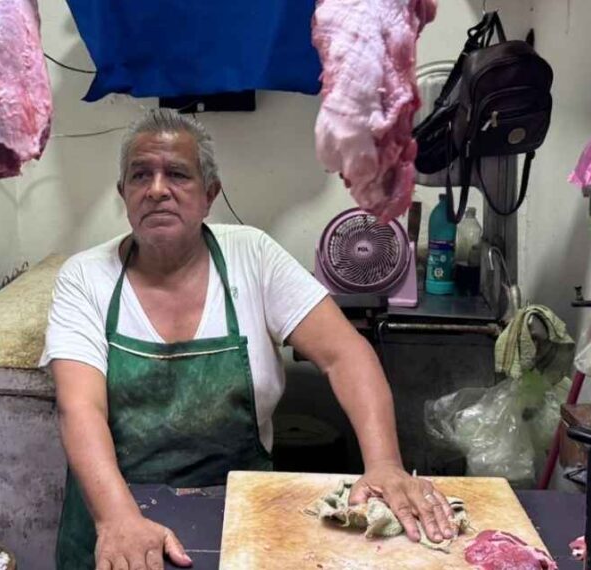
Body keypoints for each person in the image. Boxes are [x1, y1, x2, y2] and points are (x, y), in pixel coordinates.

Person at [41, 109, 453, 570]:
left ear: (209, 195)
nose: (157, 189)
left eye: (177, 174)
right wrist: (118, 519)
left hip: (241, 514)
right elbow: (80, 406)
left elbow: (346, 355)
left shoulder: (251, 256)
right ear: (124, 193)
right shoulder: (86, 277)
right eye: (140, 175)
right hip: (115, 514)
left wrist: (384, 465)